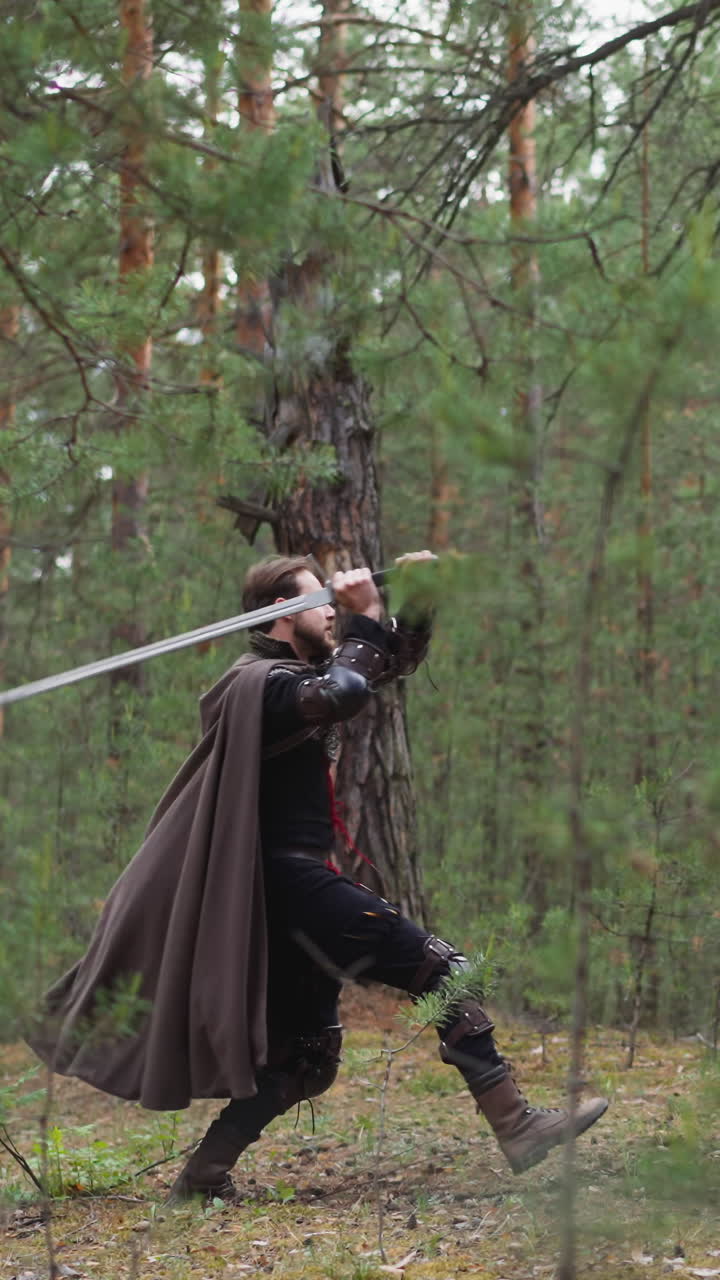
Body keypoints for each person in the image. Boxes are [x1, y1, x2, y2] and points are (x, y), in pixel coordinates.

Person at [29, 552, 607, 1204]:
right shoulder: (261, 685)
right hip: (288, 882)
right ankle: (518, 1126)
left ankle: (203, 1176)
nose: (331, 611)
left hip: (288, 889)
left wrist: (410, 603)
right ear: (280, 616)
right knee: (442, 970)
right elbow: (346, 693)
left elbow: (384, 665)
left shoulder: (295, 677)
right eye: (317, 600)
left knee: (305, 1059)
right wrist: (363, 617)